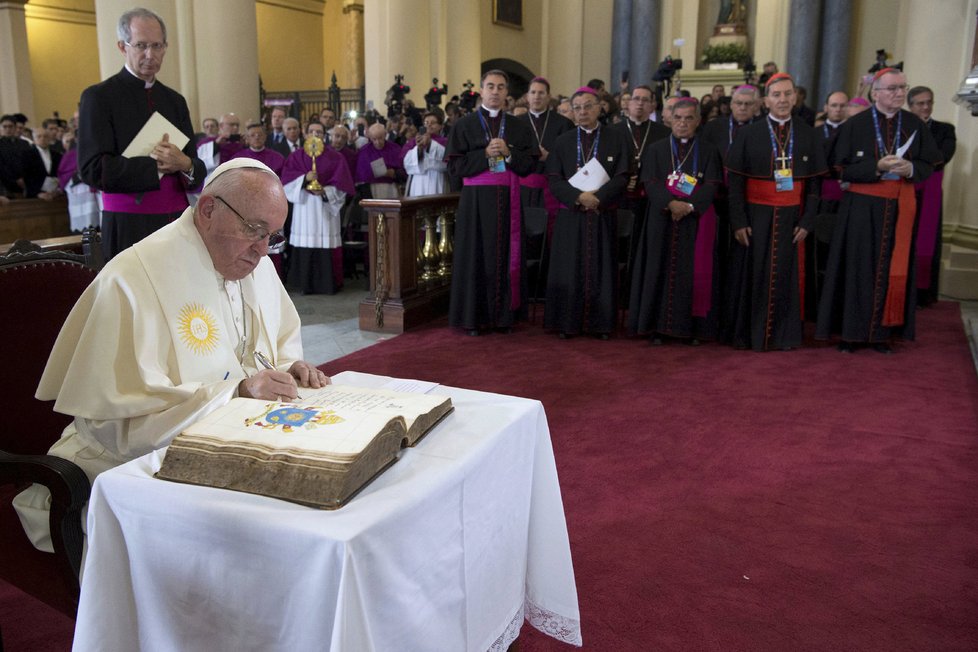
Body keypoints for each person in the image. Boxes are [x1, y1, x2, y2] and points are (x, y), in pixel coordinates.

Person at [12, 158, 330, 553]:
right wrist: (237, 394)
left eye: (273, 236)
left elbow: (266, 349)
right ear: (209, 210)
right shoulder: (133, 278)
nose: (263, 251)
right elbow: (115, 427)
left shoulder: (253, 263)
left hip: (236, 443)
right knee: (267, 535)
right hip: (131, 467)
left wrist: (287, 368)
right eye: (254, 230)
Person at [816, 69, 942, 353]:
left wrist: (911, 168)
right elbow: (839, 168)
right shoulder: (855, 124)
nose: (899, 93)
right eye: (893, 88)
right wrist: (876, 167)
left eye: (902, 88)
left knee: (890, 269)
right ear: (876, 93)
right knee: (856, 269)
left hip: (899, 207)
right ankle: (851, 334)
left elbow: (930, 162)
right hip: (860, 209)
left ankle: (882, 334)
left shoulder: (913, 123)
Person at [77, 7, 204, 259]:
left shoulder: (175, 101)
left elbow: (195, 165)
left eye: (157, 46)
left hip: (177, 222)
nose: (150, 54)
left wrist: (186, 164)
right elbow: (91, 168)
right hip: (129, 224)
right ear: (123, 47)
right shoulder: (99, 97)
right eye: (141, 45)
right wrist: (156, 165)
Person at [722, 73, 827, 351]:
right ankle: (749, 335)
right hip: (756, 216)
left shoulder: (809, 133)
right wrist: (738, 222)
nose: (782, 99)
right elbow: (735, 183)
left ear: (796, 97)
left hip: (793, 217)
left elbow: (816, 185)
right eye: (776, 95)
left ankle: (784, 336)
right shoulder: (748, 134)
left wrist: (807, 221)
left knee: (787, 278)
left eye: (787, 94)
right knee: (753, 276)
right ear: (765, 100)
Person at [445, 69, 535, 335]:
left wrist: (508, 154)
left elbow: (529, 164)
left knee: (507, 256)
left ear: (507, 93)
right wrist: (484, 154)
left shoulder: (519, 126)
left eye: (501, 87)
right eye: (490, 86)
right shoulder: (464, 125)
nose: (495, 91)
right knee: (475, 257)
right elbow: (455, 168)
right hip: (475, 204)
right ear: (481, 91)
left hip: (508, 202)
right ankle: (475, 318)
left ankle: (505, 317)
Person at [629, 98, 723, 344]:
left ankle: (691, 329)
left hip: (695, 221)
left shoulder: (709, 150)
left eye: (688, 118)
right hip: (662, 217)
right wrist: (670, 203)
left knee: (691, 273)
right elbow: (649, 181)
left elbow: (713, 183)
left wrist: (690, 206)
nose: (682, 123)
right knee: (658, 270)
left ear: (698, 120)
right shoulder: (656, 149)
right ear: (669, 119)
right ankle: (657, 328)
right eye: (678, 118)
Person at [544, 87, 629, 339]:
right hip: (572, 216)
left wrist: (598, 198)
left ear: (600, 107)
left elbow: (623, 175)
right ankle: (567, 323)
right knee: (570, 267)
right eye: (577, 107)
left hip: (603, 214)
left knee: (602, 267)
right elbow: (554, 179)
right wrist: (579, 197)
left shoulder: (616, 138)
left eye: (588, 106)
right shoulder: (563, 141)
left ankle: (600, 324)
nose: (582, 112)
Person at [280, 121, 355, 295]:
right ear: (305, 134)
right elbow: (286, 183)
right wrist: (304, 179)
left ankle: (327, 285)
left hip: (325, 209)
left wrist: (325, 192)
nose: (315, 135)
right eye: (311, 131)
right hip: (304, 208)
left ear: (325, 135)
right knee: (304, 244)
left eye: (319, 132)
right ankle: (303, 284)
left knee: (325, 245)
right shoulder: (296, 156)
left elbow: (342, 185)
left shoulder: (335, 157)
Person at [907, 85, 956, 306]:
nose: (926, 107)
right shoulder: (903, 127)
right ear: (911, 106)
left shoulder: (945, 130)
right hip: (906, 189)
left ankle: (922, 294)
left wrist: (914, 161)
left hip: (930, 192)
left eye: (929, 102)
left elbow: (941, 157)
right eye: (920, 103)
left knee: (926, 240)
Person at [516, 77, 574, 226]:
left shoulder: (564, 124)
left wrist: (550, 158)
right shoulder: (515, 123)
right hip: (521, 189)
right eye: (533, 92)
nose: (536, 96)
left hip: (552, 187)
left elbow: (571, 159)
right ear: (527, 96)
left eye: (541, 93)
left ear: (548, 97)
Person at [401, 112, 449, 197]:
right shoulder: (413, 142)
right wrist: (418, 149)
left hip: (437, 180)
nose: (429, 125)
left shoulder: (446, 142)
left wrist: (430, 143)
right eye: (426, 122)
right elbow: (406, 162)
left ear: (441, 126)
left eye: (433, 123)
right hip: (417, 181)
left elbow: (447, 161)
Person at [355, 123, 405, 199]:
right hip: (371, 189)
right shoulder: (364, 151)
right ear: (370, 138)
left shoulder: (395, 148)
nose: (377, 142)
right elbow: (361, 176)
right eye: (374, 139)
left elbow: (404, 170)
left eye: (380, 138)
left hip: (391, 187)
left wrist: (394, 173)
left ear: (385, 135)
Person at [21, 126, 63, 199]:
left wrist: (58, 190)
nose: (42, 139)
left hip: (55, 194)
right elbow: (27, 177)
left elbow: (61, 174)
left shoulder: (57, 155)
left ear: (49, 138)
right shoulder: (27, 155)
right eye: (39, 136)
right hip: (35, 196)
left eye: (45, 136)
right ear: (34, 139)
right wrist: (37, 193)